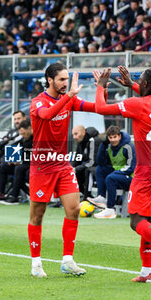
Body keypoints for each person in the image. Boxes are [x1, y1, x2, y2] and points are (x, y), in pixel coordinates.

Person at [94, 66, 151, 283]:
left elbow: (101, 108)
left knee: (135, 221)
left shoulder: (137, 104)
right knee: (147, 220)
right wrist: (132, 85)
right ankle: (147, 272)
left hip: (147, 170)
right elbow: (150, 98)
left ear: (145, 85)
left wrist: (101, 87)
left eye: (140, 80)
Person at [29, 62, 98, 278]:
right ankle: (36, 263)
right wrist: (69, 96)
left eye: (67, 79)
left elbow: (95, 107)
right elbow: (48, 114)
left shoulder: (69, 99)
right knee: (38, 215)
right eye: (61, 79)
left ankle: (67, 260)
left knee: (74, 209)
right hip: (41, 166)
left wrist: (101, 88)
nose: (65, 83)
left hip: (62, 164)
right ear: (49, 80)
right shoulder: (38, 102)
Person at [88, 125, 136, 219]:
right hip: (118, 175)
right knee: (100, 169)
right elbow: (100, 162)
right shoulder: (109, 146)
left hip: (131, 178)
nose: (113, 140)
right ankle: (102, 197)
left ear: (120, 136)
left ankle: (110, 209)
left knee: (111, 178)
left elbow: (131, 167)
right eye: (110, 137)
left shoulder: (128, 147)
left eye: (115, 137)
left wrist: (115, 173)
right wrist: (103, 145)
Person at [0, 119, 33, 204]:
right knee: (3, 167)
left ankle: (14, 196)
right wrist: (12, 159)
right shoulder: (22, 139)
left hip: (33, 164)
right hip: (23, 163)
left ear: (30, 128)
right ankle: (0, 194)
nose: (23, 136)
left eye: (24, 133)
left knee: (19, 169)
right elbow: (18, 150)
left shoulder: (37, 139)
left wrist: (20, 161)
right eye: (21, 134)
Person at [71, 125, 102, 200]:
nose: (74, 137)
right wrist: (70, 168)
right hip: (90, 166)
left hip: (101, 167)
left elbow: (92, 162)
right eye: (73, 135)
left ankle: (87, 197)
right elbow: (77, 159)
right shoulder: (80, 141)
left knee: (87, 171)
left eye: (76, 134)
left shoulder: (94, 140)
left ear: (84, 132)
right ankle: (79, 196)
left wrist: (76, 169)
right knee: (73, 172)